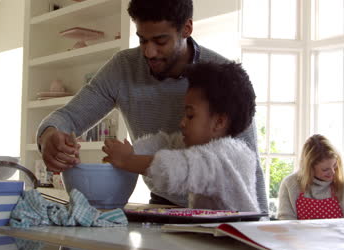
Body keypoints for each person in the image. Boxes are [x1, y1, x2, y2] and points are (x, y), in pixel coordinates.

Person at [36, 0, 268, 213]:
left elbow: (249, 168)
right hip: (163, 205)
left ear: (186, 29)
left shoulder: (221, 75)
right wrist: (49, 136)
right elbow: (68, 117)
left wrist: (261, 230)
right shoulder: (123, 68)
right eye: (142, 40)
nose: (148, 52)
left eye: (160, 41)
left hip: (229, 216)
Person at [102, 62, 259, 212]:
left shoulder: (227, 156)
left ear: (219, 122)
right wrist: (130, 150)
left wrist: (127, 159)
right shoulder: (202, 145)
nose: (182, 122)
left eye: (190, 115)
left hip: (239, 237)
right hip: (216, 235)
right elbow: (166, 143)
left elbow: (174, 171)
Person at [277, 134, 344, 220]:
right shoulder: (290, 184)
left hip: (339, 233)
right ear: (310, 168)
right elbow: (286, 222)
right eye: (325, 169)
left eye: (335, 165)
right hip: (301, 233)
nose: (332, 172)